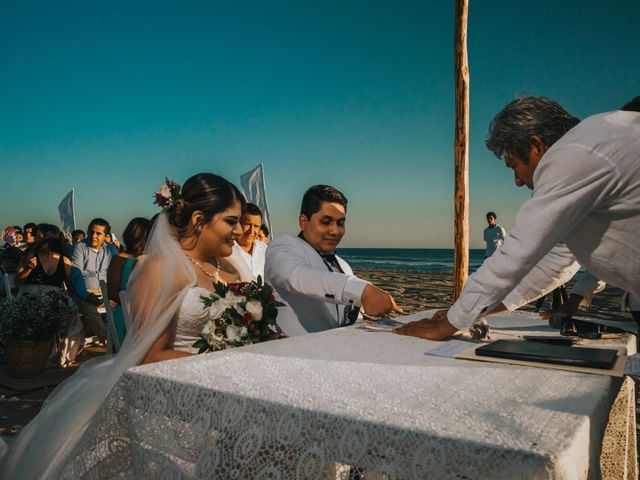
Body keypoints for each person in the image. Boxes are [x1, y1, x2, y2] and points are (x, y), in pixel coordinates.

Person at [0, 173, 253, 478]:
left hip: (236, 394)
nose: (239, 231)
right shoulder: (160, 269)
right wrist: (228, 364)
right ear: (199, 219)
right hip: (175, 404)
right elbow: (148, 357)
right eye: (231, 221)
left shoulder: (231, 267)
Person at [397, 96, 640, 340]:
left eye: (513, 165)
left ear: (536, 145)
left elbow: (517, 253)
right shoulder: (589, 149)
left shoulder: (574, 152)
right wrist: (464, 313)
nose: (518, 180)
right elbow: (556, 261)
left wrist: (446, 326)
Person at [266, 184, 402, 336]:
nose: (334, 231)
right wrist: (361, 290)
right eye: (326, 221)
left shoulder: (343, 266)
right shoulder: (283, 246)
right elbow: (297, 275)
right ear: (303, 222)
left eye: (340, 223)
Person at [106, 217, 152, 344]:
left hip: (149, 313)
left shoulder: (153, 260)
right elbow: (112, 293)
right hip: (127, 314)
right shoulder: (119, 259)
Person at [70, 218, 117, 340]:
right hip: (86, 291)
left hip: (107, 292)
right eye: (91, 232)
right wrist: (86, 295)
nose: (93, 236)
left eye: (98, 233)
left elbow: (115, 272)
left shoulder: (111, 249)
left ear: (106, 236)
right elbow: (77, 275)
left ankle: (120, 338)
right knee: (92, 310)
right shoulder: (79, 248)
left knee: (126, 306)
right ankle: (110, 341)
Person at [14, 224, 73, 290]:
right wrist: (28, 269)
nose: (36, 240)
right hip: (31, 297)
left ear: (51, 239)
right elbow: (17, 281)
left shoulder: (64, 261)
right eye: (36, 237)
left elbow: (70, 287)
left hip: (55, 298)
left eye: (39, 237)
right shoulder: (30, 255)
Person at [232, 203, 267, 280]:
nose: (251, 231)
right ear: (238, 223)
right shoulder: (227, 250)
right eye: (247, 225)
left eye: (256, 226)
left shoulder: (264, 249)